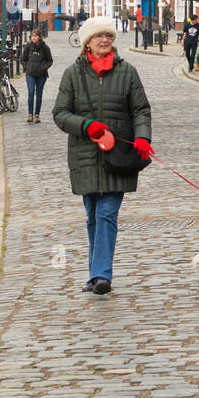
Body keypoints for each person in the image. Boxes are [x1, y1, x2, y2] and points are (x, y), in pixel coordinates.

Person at [52, 17, 152, 296]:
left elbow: (141, 109)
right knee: (93, 215)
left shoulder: (127, 72)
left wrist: (143, 137)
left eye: (108, 36)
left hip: (119, 156)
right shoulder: (73, 74)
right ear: (87, 42)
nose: (105, 41)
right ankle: (94, 273)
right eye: (99, 37)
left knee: (107, 213)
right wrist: (85, 125)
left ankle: (100, 275)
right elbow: (59, 114)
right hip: (85, 155)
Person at [20, 27, 54, 123]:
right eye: (32, 36)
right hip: (30, 74)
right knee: (31, 92)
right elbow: (22, 59)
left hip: (41, 74)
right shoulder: (28, 46)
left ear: (39, 37)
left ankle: (37, 115)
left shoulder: (45, 47)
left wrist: (43, 67)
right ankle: (30, 114)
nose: (33, 38)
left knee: (39, 95)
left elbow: (50, 60)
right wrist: (27, 67)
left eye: (36, 36)